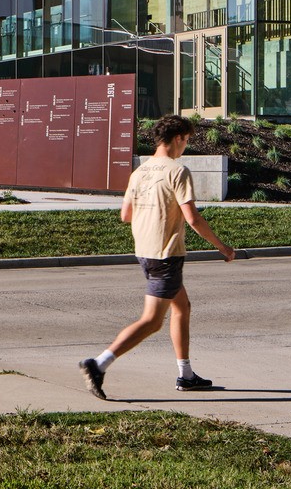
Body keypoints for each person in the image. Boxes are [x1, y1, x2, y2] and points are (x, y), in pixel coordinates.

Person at [78, 113, 236, 398]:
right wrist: (223, 247)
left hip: (145, 253)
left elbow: (125, 215)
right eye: (186, 140)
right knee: (152, 321)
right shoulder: (177, 171)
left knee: (182, 306)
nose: (185, 146)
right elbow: (193, 219)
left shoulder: (139, 172)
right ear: (177, 139)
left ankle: (186, 374)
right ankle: (99, 364)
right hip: (166, 255)